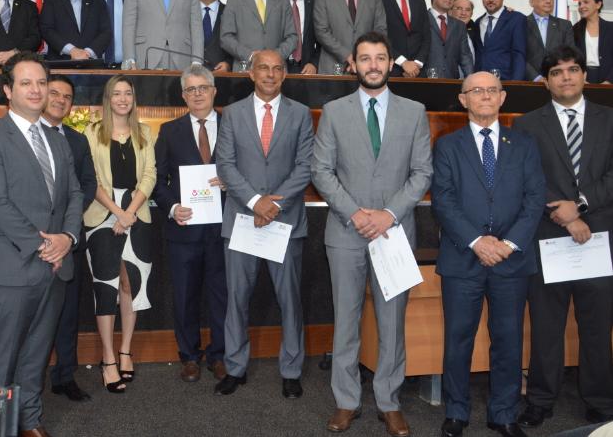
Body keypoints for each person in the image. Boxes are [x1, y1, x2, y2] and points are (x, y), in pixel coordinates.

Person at [311, 32, 432, 436]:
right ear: (354, 64)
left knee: (392, 323)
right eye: (365, 58)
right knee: (345, 321)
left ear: (390, 63)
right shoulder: (334, 112)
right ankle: (346, 401)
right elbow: (321, 171)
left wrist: (388, 215)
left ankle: (389, 401)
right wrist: (355, 213)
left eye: (380, 57)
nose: (374, 65)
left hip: (394, 234)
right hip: (346, 232)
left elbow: (422, 173)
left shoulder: (414, 111)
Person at [0, 52, 82, 437]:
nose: (36, 90)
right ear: (8, 90)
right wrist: (44, 246)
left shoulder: (57, 139)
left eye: (41, 83)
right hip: (13, 266)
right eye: (26, 83)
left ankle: (28, 419)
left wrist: (67, 238)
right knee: (3, 357)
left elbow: (74, 195)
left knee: (37, 352)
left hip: (55, 264)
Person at [431, 71, 546, 437]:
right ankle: (457, 412)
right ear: (463, 99)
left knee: (509, 340)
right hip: (462, 258)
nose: (485, 96)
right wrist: (477, 241)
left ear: (502, 97)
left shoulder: (524, 144)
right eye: (476, 90)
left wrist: (507, 244)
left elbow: (535, 199)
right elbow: (443, 201)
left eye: (492, 90)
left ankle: (504, 413)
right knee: (458, 339)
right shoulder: (447, 146)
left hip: (511, 261)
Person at [513, 46, 613, 427]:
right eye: (556, 72)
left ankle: (601, 400)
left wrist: (581, 206)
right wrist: (566, 217)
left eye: (573, 70)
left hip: (598, 237)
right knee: (546, 325)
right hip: (548, 236)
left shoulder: (609, 119)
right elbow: (527, 180)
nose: (566, 77)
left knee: (597, 325)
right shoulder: (526, 125)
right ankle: (540, 399)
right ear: (547, 82)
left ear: (584, 76)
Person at [214, 49, 313, 398]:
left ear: (284, 75)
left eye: (277, 69)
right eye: (263, 68)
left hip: (285, 220)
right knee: (237, 299)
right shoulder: (232, 113)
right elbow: (225, 165)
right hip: (243, 219)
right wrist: (257, 202)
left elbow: (305, 166)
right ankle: (235, 367)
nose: (270, 74)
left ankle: (291, 370)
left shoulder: (301, 114)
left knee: (290, 300)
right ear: (251, 73)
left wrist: (273, 204)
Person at [153, 64, 228, 383]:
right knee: (184, 296)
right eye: (191, 89)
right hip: (184, 229)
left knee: (223, 295)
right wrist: (172, 208)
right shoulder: (169, 131)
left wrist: (231, 182)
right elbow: (158, 180)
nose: (197, 94)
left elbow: (248, 169)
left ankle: (220, 354)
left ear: (214, 91)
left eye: (203, 88)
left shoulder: (233, 125)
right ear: (183, 96)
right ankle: (189, 356)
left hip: (225, 228)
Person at [83, 75, 157, 393]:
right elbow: (92, 179)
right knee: (105, 288)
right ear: (108, 98)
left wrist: (129, 213)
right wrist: (118, 212)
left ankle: (125, 350)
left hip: (137, 215)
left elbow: (150, 175)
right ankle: (108, 358)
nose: (123, 98)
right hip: (103, 215)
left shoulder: (145, 133)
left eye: (128, 93)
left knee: (131, 284)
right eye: (117, 93)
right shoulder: (92, 132)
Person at [42, 74, 98, 403]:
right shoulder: (26, 136)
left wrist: (68, 225)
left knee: (67, 312)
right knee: (33, 316)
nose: (60, 100)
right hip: (34, 241)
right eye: (55, 93)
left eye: (66, 97)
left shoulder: (77, 140)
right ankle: (28, 379)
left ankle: (65, 375)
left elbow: (88, 184)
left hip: (70, 239)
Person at [378, 0, 429, 78]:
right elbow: (379, 36)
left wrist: (417, 64)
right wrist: (403, 62)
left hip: (418, 72)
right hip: (391, 70)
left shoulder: (419, 1)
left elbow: (426, 37)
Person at [471, 0, 526, 80]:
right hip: (480, 81)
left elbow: (519, 55)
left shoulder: (516, 19)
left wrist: (516, 83)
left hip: (506, 81)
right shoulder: (478, 22)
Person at [426, 0, 474, 79]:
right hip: (424, 79)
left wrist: (471, 80)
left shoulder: (459, 26)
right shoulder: (421, 18)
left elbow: (465, 57)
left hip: (451, 81)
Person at [525, 0, 574, 81]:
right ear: (531, 2)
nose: (548, 1)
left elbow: (570, 54)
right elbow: (519, 56)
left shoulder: (565, 25)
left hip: (559, 79)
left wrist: (557, 74)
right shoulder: (521, 23)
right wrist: (536, 77)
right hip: (530, 81)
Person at [281, 0, 320, 74]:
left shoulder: (315, 4)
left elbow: (322, 40)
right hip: (279, 68)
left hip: (307, 69)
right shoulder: (274, 3)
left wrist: (314, 64)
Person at [572, 0, 613, 83]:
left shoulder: (611, 28)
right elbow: (571, 58)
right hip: (583, 78)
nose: (581, 6)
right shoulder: (574, 29)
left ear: (598, 5)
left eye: (586, 2)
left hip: (609, 77)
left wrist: (609, 81)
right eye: (579, 4)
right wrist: (580, 78)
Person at [196, 0, 231, 72]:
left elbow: (237, 42)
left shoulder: (230, 12)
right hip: (191, 74)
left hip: (222, 76)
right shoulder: (187, 11)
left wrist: (228, 64)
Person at [452, 0, 478, 70]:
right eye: (459, 8)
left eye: (468, 10)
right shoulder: (442, 30)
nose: (463, 13)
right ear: (450, 11)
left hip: (472, 75)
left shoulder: (475, 28)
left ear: (471, 14)